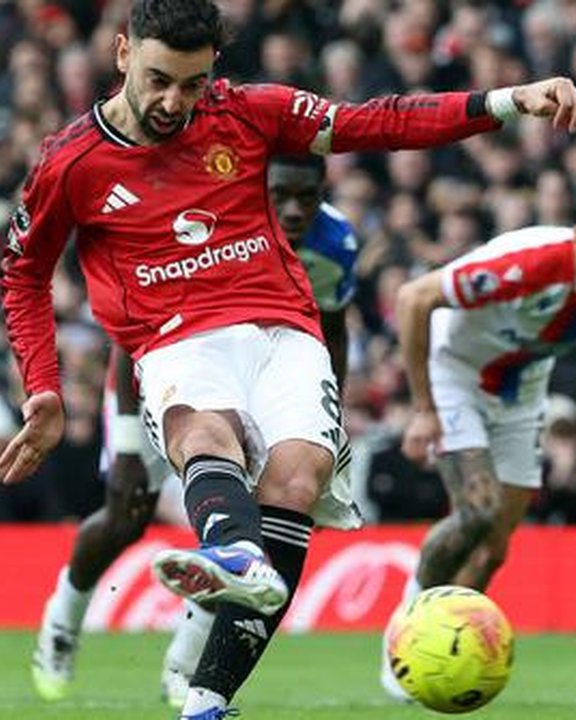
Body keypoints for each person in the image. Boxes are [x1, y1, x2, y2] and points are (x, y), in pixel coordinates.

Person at [0, 2, 576, 718]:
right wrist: (44, 387)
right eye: (159, 79)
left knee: (298, 477)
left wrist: (504, 101)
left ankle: (207, 692)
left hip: (283, 328)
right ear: (123, 53)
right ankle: (228, 559)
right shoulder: (70, 161)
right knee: (203, 432)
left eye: (192, 84)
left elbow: (380, 121)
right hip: (175, 338)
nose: (173, 102)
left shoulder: (248, 112)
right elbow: (22, 273)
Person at [29, 154, 359, 708]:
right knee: (125, 512)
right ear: (257, 181)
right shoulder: (213, 217)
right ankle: (62, 623)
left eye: (307, 195)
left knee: (251, 522)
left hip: (267, 372)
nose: (295, 210)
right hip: (164, 374)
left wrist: (328, 421)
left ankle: (185, 667)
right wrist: (131, 444)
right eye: (281, 193)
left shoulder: (335, 244)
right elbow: (132, 332)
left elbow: (334, 329)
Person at [382, 182, 576, 698]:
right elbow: (414, 298)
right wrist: (422, 411)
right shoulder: (529, 263)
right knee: (478, 511)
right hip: (455, 373)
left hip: (524, 390)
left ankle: (449, 646)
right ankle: (407, 629)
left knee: (493, 551)